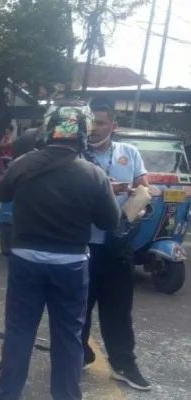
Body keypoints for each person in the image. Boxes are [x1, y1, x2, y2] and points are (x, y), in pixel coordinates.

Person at [0, 105, 121, 400]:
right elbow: (110, 222)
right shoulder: (93, 173)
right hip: (71, 264)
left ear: (48, 129)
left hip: (26, 260)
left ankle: (7, 394)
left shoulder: (25, 163)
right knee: (68, 335)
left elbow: (0, 193)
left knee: (19, 331)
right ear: (82, 133)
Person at [81, 100, 151, 390]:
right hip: (82, 244)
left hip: (118, 244)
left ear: (113, 125)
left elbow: (144, 184)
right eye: (91, 123)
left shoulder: (129, 153)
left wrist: (142, 198)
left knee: (119, 309)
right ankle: (76, 354)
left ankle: (123, 363)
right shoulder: (75, 154)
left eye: (100, 123)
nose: (94, 129)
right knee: (78, 308)